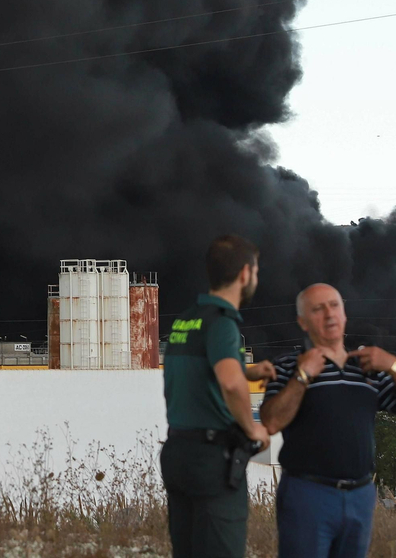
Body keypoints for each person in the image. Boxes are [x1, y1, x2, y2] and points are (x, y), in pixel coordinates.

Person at [259, 283, 396, 558]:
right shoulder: (288, 366)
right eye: (318, 309)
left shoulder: (369, 369)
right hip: (308, 494)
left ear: (345, 314)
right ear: (303, 322)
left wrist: (394, 366)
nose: (329, 314)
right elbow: (271, 421)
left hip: (359, 495)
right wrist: (302, 377)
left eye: (334, 305)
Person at [162, 234, 276, 558]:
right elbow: (229, 383)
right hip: (211, 460)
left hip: (177, 453)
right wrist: (252, 428)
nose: (255, 277)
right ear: (244, 274)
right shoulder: (223, 325)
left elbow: (209, 369)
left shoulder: (187, 319)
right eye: (255, 271)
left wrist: (252, 372)